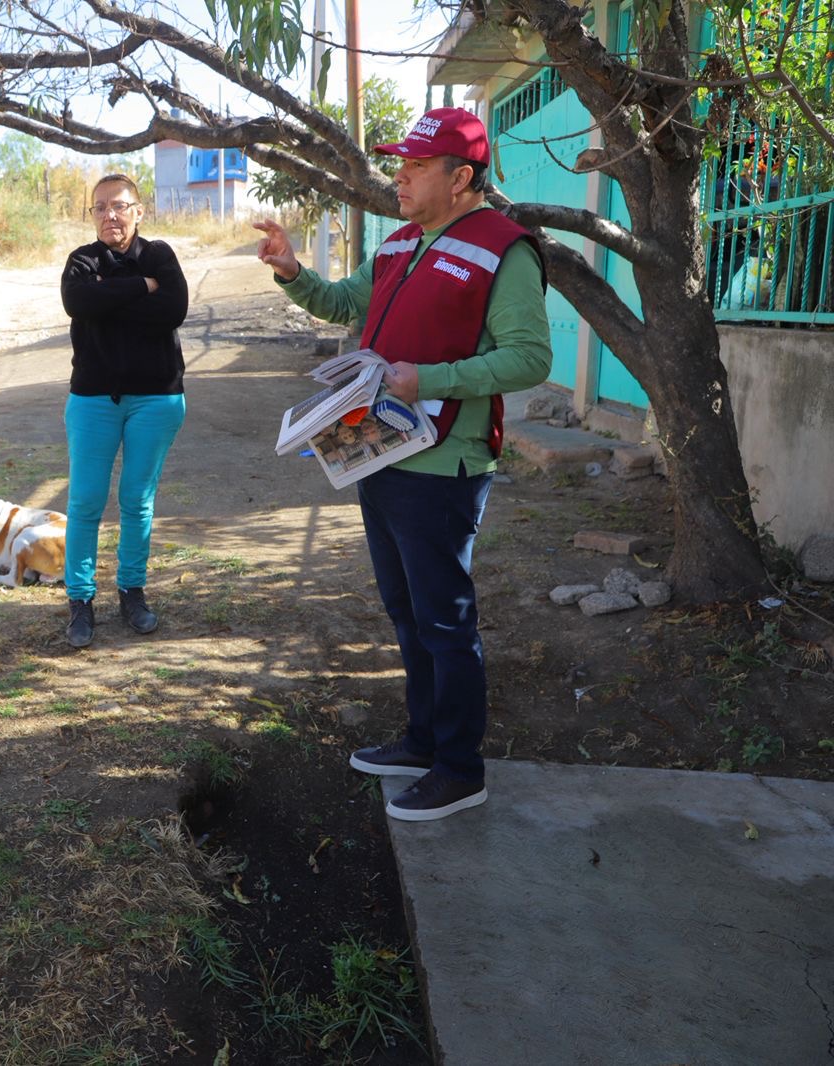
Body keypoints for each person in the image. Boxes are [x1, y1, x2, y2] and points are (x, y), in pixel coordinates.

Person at [253, 107, 551, 822]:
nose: (400, 178)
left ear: (462, 178)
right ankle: (423, 741)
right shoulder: (400, 242)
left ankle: (460, 769)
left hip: (444, 462)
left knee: (445, 620)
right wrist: (292, 270)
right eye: (400, 165)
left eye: (416, 167)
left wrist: (433, 379)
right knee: (406, 609)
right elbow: (343, 303)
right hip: (380, 450)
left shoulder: (504, 249)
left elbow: (530, 358)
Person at [59, 173, 188, 648]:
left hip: (156, 397)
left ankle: (132, 591)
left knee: (137, 498)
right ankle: (80, 599)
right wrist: (141, 288)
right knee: (85, 500)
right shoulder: (82, 261)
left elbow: (172, 310)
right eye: (100, 207)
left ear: (138, 211)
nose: (109, 215)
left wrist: (108, 297)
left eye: (119, 206)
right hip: (93, 399)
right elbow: (77, 301)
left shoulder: (160, 256)